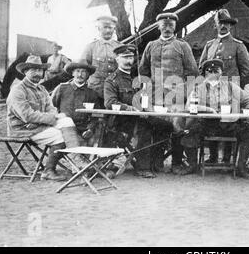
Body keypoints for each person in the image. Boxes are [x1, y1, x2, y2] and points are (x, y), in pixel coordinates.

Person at [6, 55, 84, 181]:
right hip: (23, 129)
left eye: (40, 70)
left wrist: (53, 117)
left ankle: (77, 158)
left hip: (39, 125)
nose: (38, 73)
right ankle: (49, 170)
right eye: (33, 70)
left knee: (67, 120)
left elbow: (51, 108)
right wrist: (51, 118)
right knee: (60, 137)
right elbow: (27, 115)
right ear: (25, 72)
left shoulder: (41, 88)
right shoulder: (18, 90)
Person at [138, 12, 199, 174]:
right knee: (158, 127)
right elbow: (143, 71)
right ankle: (157, 161)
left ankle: (177, 162)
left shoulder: (182, 46)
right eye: (164, 26)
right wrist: (146, 93)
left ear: (175, 27)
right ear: (158, 27)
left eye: (170, 26)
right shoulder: (151, 46)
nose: (167, 29)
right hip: (155, 96)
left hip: (177, 97)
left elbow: (193, 72)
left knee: (177, 127)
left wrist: (184, 93)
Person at [104, 44, 172, 178]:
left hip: (141, 115)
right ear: (117, 59)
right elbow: (110, 103)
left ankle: (156, 161)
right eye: (125, 57)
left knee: (166, 126)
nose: (129, 61)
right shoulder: (111, 80)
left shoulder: (139, 80)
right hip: (121, 119)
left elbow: (146, 99)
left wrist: (151, 109)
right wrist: (132, 109)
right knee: (144, 127)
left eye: (131, 57)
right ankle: (143, 167)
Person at [180, 59, 249, 178]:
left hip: (229, 124)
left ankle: (241, 167)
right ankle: (192, 165)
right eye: (210, 71)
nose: (213, 74)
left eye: (217, 71)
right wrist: (208, 109)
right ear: (205, 73)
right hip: (208, 124)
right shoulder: (198, 88)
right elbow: (189, 106)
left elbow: (247, 100)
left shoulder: (230, 86)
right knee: (189, 134)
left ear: (221, 73)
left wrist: (241, 112)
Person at [198, 9, 249, 164]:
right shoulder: (210, 45)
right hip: (211, 94)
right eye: (220, 23)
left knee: (229, 124)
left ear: (230, 26)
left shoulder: (238, 46)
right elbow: (201, 68)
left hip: (230, 94)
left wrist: (234, 91)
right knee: (212, 122)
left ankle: (227, 159)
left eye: (226, 23)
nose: (223, 26)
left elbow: (247, 71)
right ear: (215, 25)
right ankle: (213, 156)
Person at [51, 60, 100, 145]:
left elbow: (95, 115)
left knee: (90, 142)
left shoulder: (92, 93)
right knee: (61, 145)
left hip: (82, 129)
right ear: (72, 73)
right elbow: (51, 107)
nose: (80, 75)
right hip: (64, 127)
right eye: (77, 71)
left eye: (83, 72)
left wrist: (90, 129)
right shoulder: (62, 88)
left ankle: (82, 157)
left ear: (88, 75)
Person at [81, 15, 120, 102]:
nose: (108, 30)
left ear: (114, 29)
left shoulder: (119, 47)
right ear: (98, 28)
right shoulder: (90, 47)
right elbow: (83, 69)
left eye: (110, 28)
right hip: (95, 91)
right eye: (105, 27)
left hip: (114, 91)